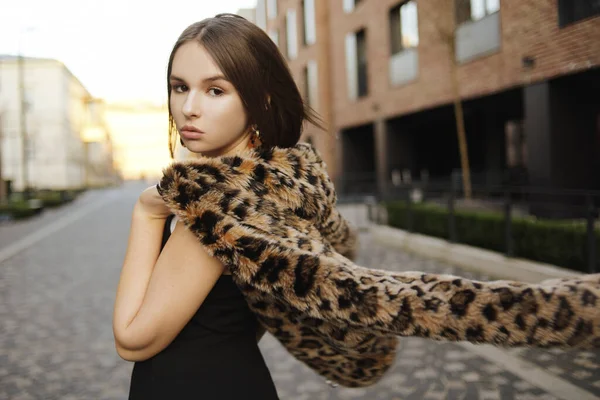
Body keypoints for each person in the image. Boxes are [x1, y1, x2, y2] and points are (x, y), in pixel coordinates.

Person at [112, 13, 321, 399]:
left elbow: (132, 340)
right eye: (179, 87)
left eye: (215, 91)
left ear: (261, 100)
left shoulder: (216, 202)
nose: (189, 107)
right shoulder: (265, 183)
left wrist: (147, 213)